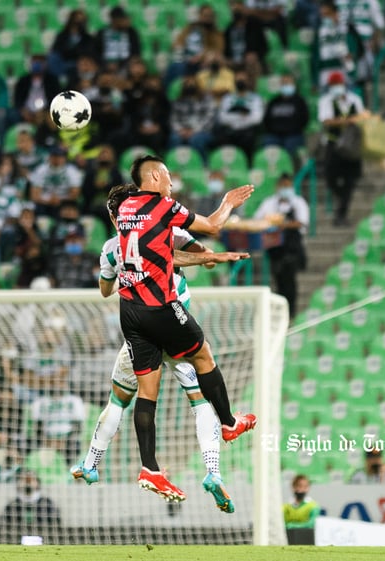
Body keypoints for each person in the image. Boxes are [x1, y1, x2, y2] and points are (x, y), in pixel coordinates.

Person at [72, 182, 250, 513]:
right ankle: (213, 471)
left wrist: (118, 273)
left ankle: (91, 462)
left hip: (140, 334)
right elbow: (203, 256)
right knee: (201, 401)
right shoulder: (168, 230)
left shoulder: (112, 247)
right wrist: (206, 257)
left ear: (115, 217)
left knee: (120, 400)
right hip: (175, 326)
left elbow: (104, 290)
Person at [115, 156, 258, 501]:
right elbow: (211, 226)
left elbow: (164, 255)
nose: (171, 180)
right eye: (166, 174)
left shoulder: (125, 208)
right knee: (203, 356)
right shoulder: (162, 205)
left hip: (129, 308)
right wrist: (227, 204)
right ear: (152, 176)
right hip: (160, 306)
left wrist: (213, 258)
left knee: (148, 390)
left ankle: (150, 468)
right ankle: (228, 423)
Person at [252, 174, 309, 317]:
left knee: (290, 281)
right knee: (278, 280)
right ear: (277, 187)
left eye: (287, 186)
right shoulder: (269, 203)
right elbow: (257, 219)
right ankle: (281, 313)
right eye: (282, 186)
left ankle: (292, 312)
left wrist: (283, 225)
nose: (285, 189)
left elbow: (302, 222)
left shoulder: (298, 202)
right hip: (275, 249)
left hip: (291, 248)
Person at [318, 71, 368, 226]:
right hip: (334, 145)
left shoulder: (355, 100)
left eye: (338, 84)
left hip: (352, 146)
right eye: (333, 85)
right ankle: (341, 198)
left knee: (350, 180)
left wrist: (343, 121)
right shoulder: (325, 101)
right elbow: (326, 121)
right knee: (330, 177)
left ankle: (341, 214)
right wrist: (348, 120)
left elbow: (362, 118)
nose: (336, 88)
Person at [0, 468, 61, 537]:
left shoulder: (47, 504)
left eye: (31, 479)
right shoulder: (12, 505)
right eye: (24, 480)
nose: (28, 482)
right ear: (18, 484)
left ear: (38, 483)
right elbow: (2, 526)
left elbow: (56, 526)